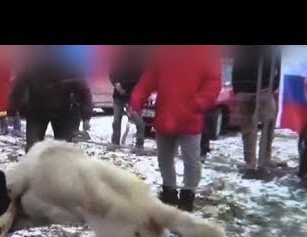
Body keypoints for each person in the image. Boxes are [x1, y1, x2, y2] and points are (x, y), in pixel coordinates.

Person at [129, 45, 222, 212]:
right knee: (164, 158)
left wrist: (197, 104)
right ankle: (169, 191)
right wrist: (136, 102)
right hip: (166, 115)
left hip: (190, 119)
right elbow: (148, 80)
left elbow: (213, 83)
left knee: (191, 160)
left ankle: (188, 195)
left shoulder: (206, 53)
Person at [7, 46, 93, 152]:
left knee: (63, 151)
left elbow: (83, 91)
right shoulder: (32, 63)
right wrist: (11, 111)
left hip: (64, 111)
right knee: (33, 149)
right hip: (38, 109)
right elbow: (18, 88)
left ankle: (59, 166)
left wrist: (87, 117)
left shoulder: (70, 66)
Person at [232, 45, 281, 178]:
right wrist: (274, 84)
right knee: (267, 121)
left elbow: (235, 65)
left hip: (248, 87)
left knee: (249, 127)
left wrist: (236, 87)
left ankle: (251, 161)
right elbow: (277, 63)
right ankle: (261, 159)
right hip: (262, 87)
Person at [109, 45, 146, 153]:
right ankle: (115, 143)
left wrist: (136, 91)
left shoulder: (140, 58)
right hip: (119, 95)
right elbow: (112, 72)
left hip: (133, 96)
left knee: (139, 121)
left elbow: (143, 77)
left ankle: (139, 146)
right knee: (116, 121)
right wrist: (116, 84)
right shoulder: (118, 56)